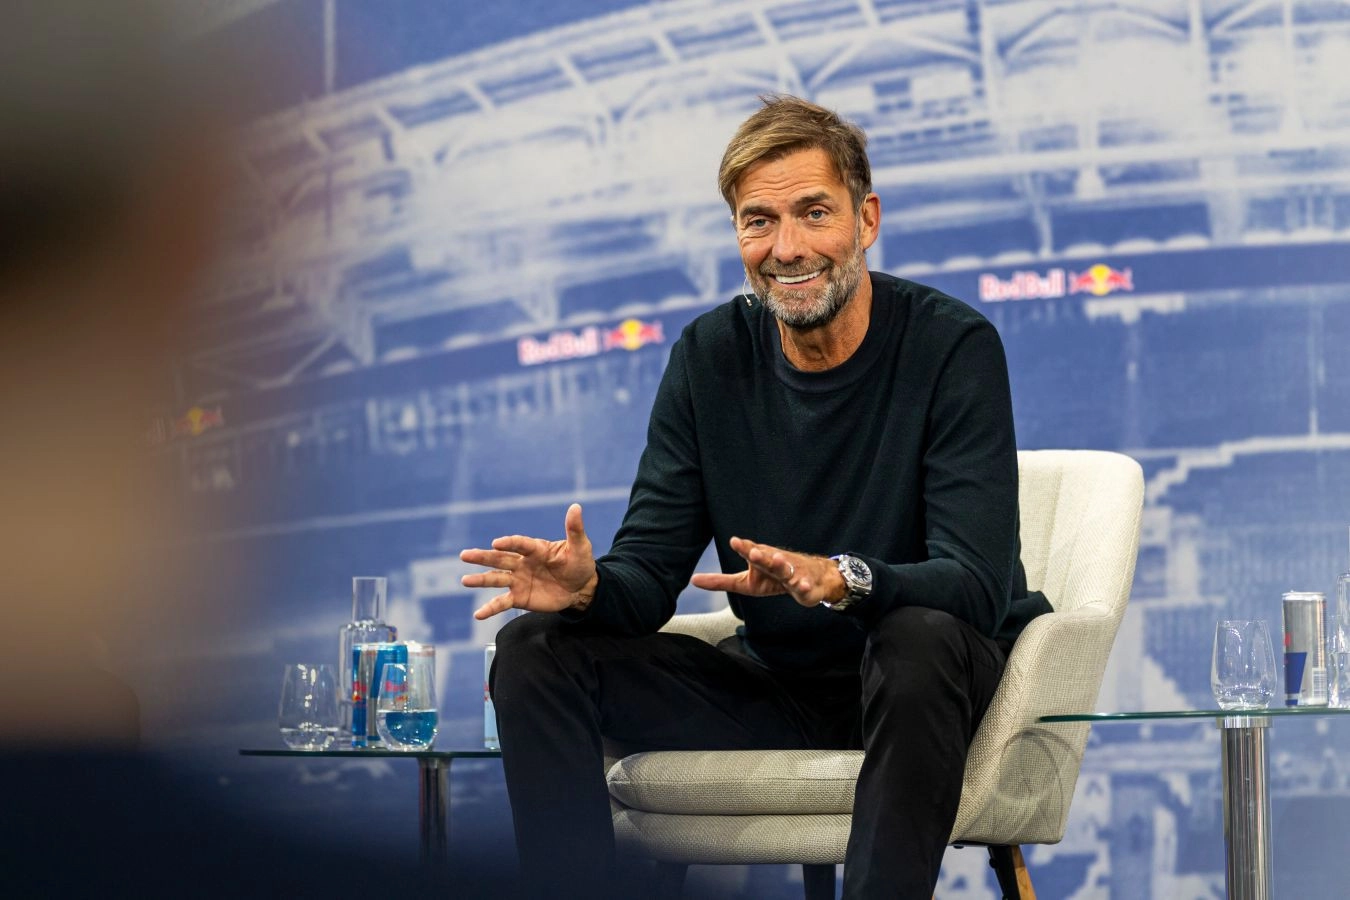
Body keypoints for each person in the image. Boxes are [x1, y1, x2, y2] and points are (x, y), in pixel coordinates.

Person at [460, 95, 1051, 899]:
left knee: (916, 637)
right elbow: (649, 572)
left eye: (815, 213)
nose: (787, 247)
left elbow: (975, 584)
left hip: (929, 685)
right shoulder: (710, 356)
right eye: (758, 222)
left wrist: (843, 579)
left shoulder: (953, 345)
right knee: (536, 652)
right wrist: (591, 588)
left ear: (867, 219)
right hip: (778, 687)